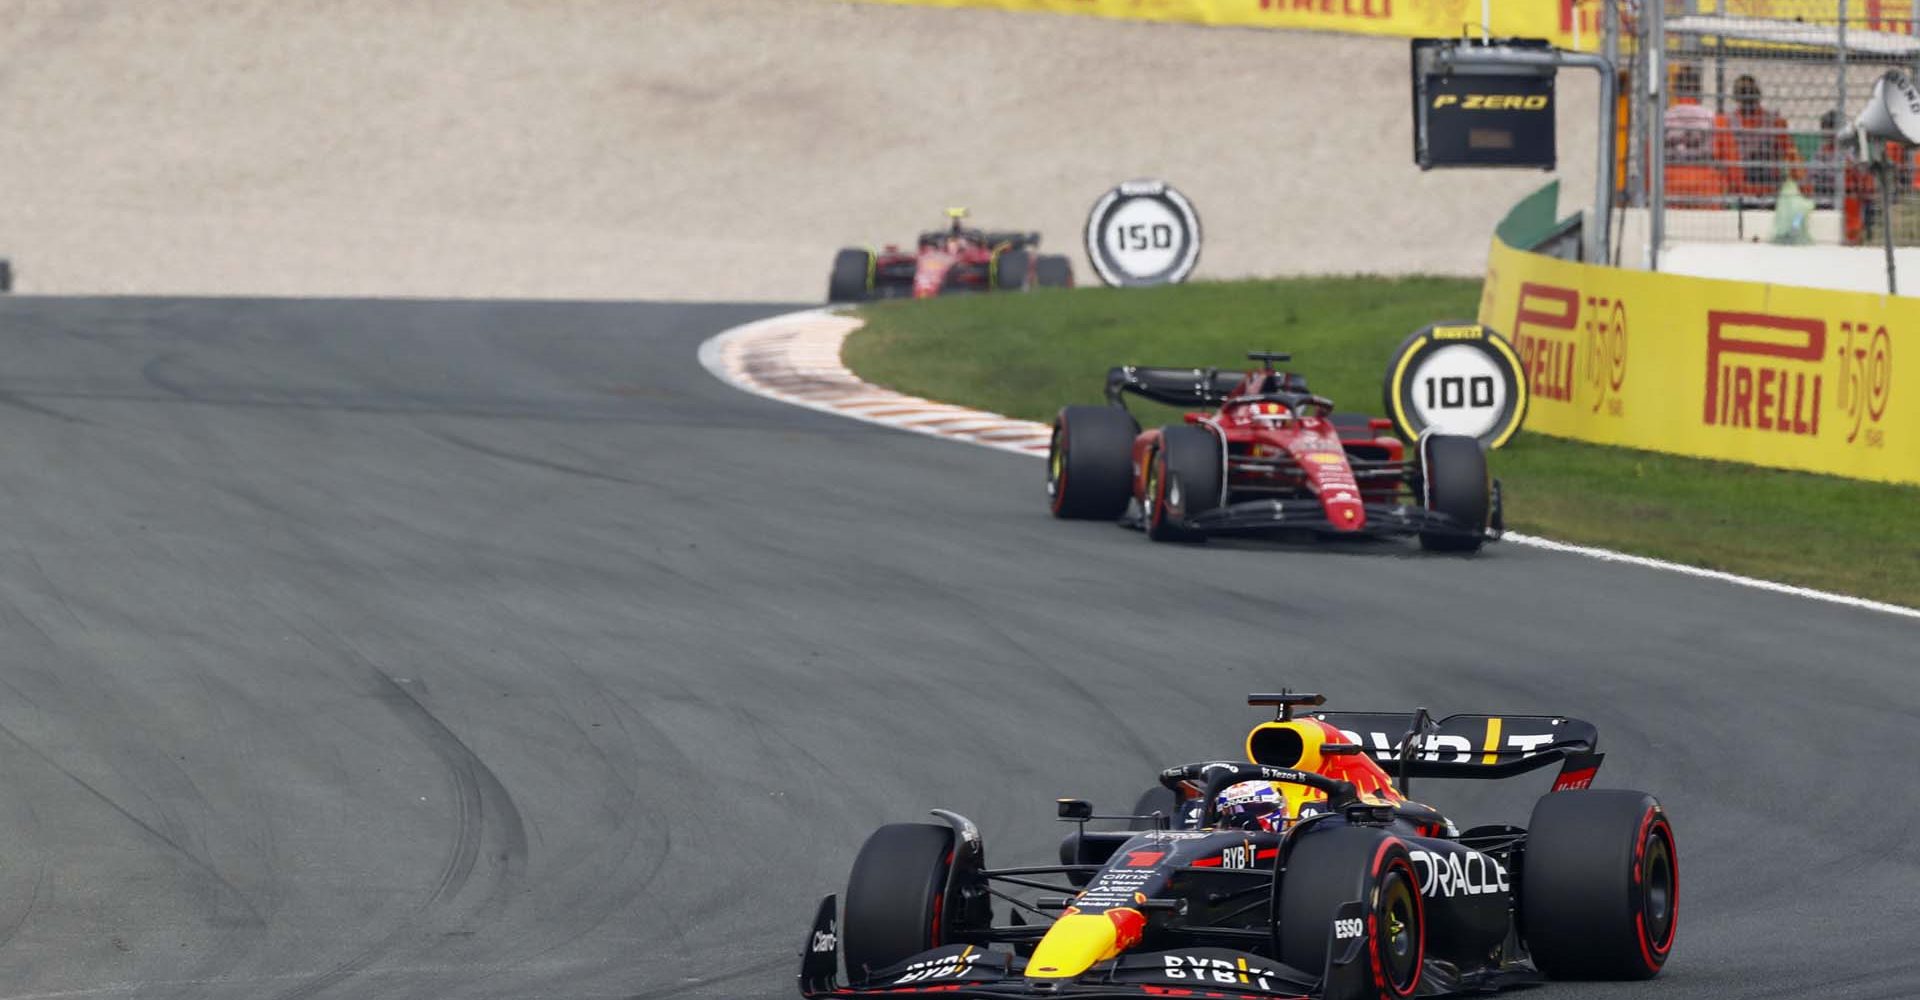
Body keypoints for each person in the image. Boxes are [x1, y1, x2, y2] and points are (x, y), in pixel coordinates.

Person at [1713, 75, 1804, 204]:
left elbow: (1791, 156)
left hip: (1751, 189)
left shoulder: (1726, 122)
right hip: (1755, 189)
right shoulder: (1774, 122)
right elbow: (1792, 156)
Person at [1664, 63, 1730, 208]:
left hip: (1669, 185)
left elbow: (1651, 159)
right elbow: (1728, 159)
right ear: (1699, 90)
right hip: (1706, 186)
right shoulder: (1715, 119)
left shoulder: (1662, 119)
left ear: (1675, 90)